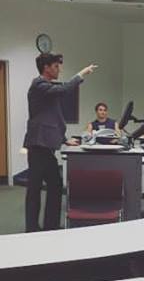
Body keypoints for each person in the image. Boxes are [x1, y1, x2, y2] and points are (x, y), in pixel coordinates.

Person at [24, 53, 97, 232]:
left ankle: (50, 225)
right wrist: (81, 74)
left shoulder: (47, 88)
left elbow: (52, 118)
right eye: (56, 66)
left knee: (55, 185)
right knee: (35, 189)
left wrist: (65, 139)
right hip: (38, 146)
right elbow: (64, 89)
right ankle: (32, 229)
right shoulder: (39, 84)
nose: (59, 69)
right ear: (46, 68)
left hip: (44, 146)